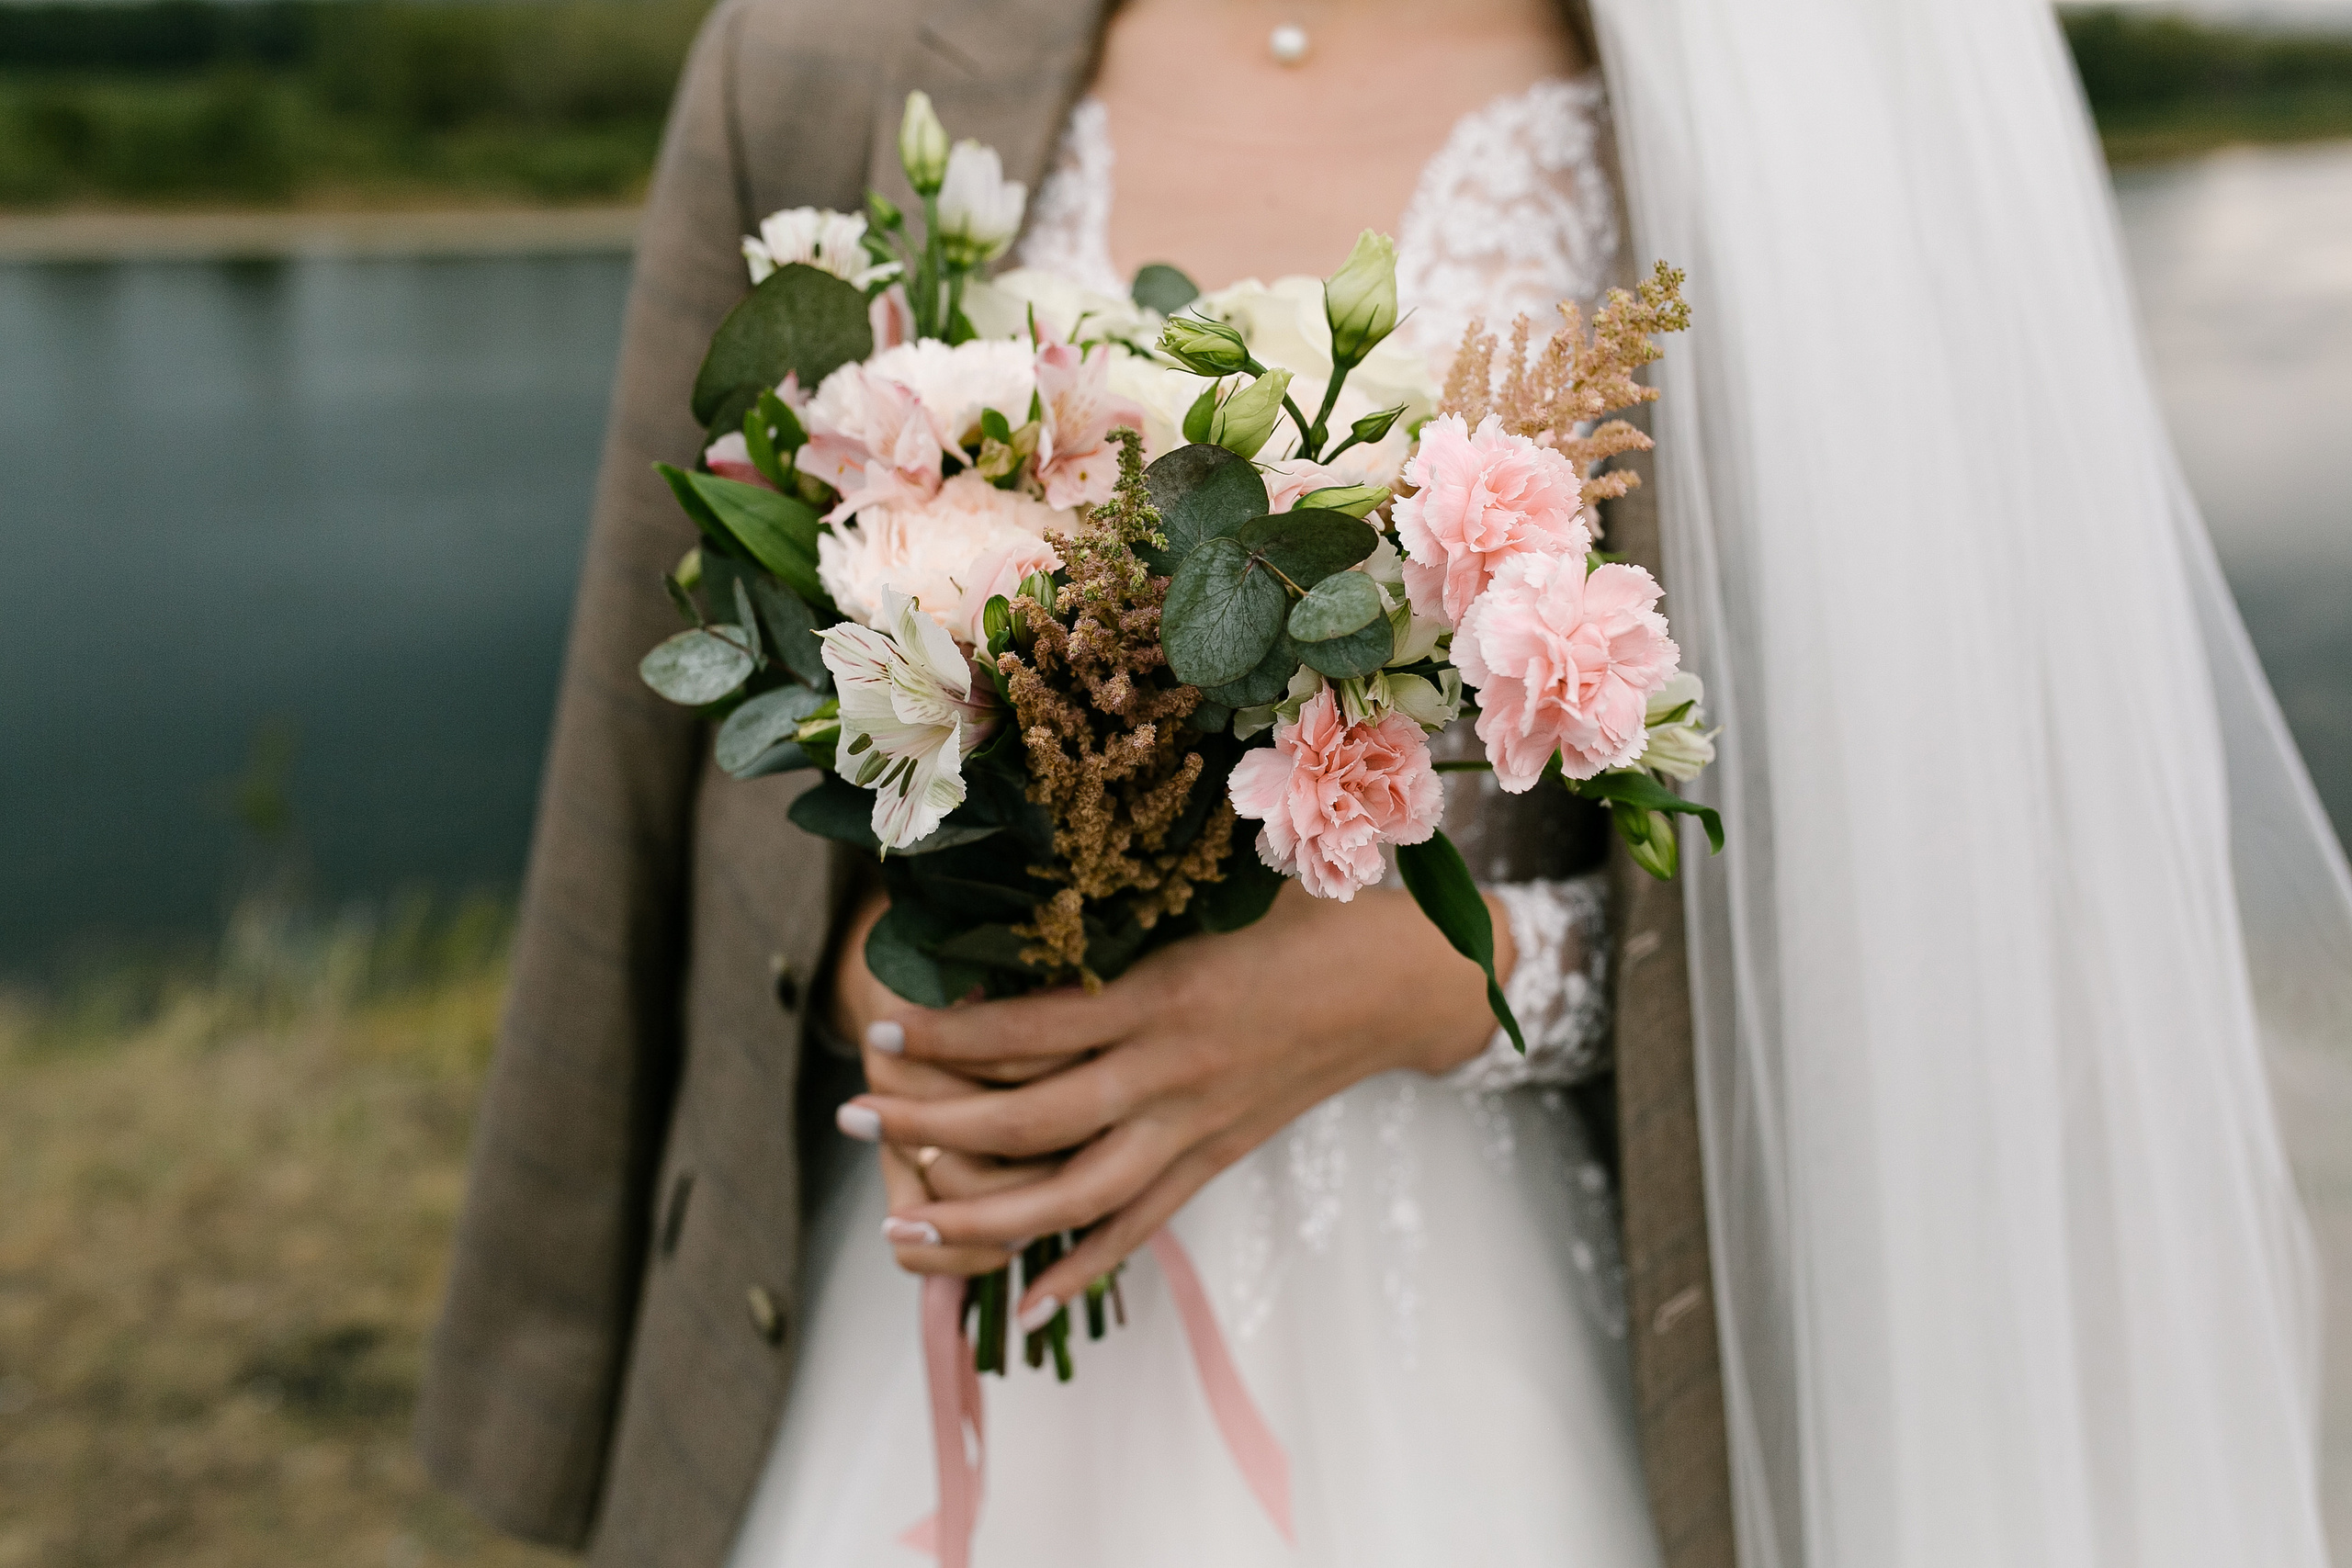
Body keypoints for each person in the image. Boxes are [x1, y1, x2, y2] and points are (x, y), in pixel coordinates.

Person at [419, 2, 2352, 1566]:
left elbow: (1929, 835)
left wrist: (1457, 975)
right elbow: (667, 718)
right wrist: (892, 960)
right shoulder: (820, 57)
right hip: (941, 1265)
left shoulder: (1794, 101)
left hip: (1473, 1315)